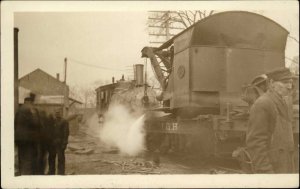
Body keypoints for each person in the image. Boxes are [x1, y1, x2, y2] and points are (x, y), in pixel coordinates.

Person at [246, 67, 296, 173]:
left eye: (290, 82)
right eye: (284, 82)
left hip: (284, 166)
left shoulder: (283, 102)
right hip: (273, 169)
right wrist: (266, 172)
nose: (289, 86)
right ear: (272, 83)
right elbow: (256, 143)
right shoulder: (263, 104)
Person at [15, 93, 41, 175]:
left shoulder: (19, 109)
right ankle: (27, 178)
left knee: (21, 158)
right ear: (32, 101)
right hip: (29, 139)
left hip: (19, 138)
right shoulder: (32, 109)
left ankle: (22, 174)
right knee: (29, 159)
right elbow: (36, 123)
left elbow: (15, 124)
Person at [48, 108, 69, 175]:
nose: (57, 113)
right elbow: (49, 132)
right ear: (54, 113)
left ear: (61, 113)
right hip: (52, 144)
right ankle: (51, 173)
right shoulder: (52, 121)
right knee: (51, 159)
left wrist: (64, 143)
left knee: (61, 159)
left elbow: (66, 133)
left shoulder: (64, 121)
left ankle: (61, 173)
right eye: (56, 112)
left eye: (58, 112)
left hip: (60, 144)